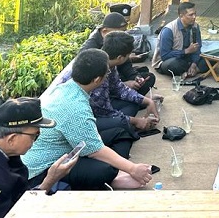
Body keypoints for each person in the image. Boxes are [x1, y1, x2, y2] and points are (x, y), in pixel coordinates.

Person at [23, 48, 155, 191]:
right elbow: (95, 150)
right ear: (97, 79)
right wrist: (133, 168)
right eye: (107, 73)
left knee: (121, 133)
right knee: (105, 169)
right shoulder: (75, 106)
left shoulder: (66, 87)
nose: (108, 76)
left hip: (71, 148)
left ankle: (114, 172)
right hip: (47, 168)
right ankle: (112, 176)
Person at [0, 98, 76, 218]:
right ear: (12, 139)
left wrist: (49, 182)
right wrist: (49, 181)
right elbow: (15, 214)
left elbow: (19, 196)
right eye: (35, 136)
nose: (35, 141)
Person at [81, 12, 156, 99]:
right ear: (105, 31)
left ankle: (133, 98)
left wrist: (135, 77)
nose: (124, 34)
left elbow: (125, 63)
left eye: (125, 31)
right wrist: (124, 84)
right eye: (121, 32)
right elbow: (92, 84)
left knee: (148, 76)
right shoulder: (89, 50)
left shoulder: (118, 44)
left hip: (115, 78)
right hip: (100, 87)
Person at [152, 2, 208, 78]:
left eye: (195, 14)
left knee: (211, 59)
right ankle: (191, 70)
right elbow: (164, 56)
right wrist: (186, 51)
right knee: (174, 64)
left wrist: (194, 64)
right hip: (169, 61)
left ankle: (192, 70)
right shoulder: (168, 30)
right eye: (191, 15)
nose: (194, 17)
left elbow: (197, 49)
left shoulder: (195, 27)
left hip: (187, 59)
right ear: (181, 16)